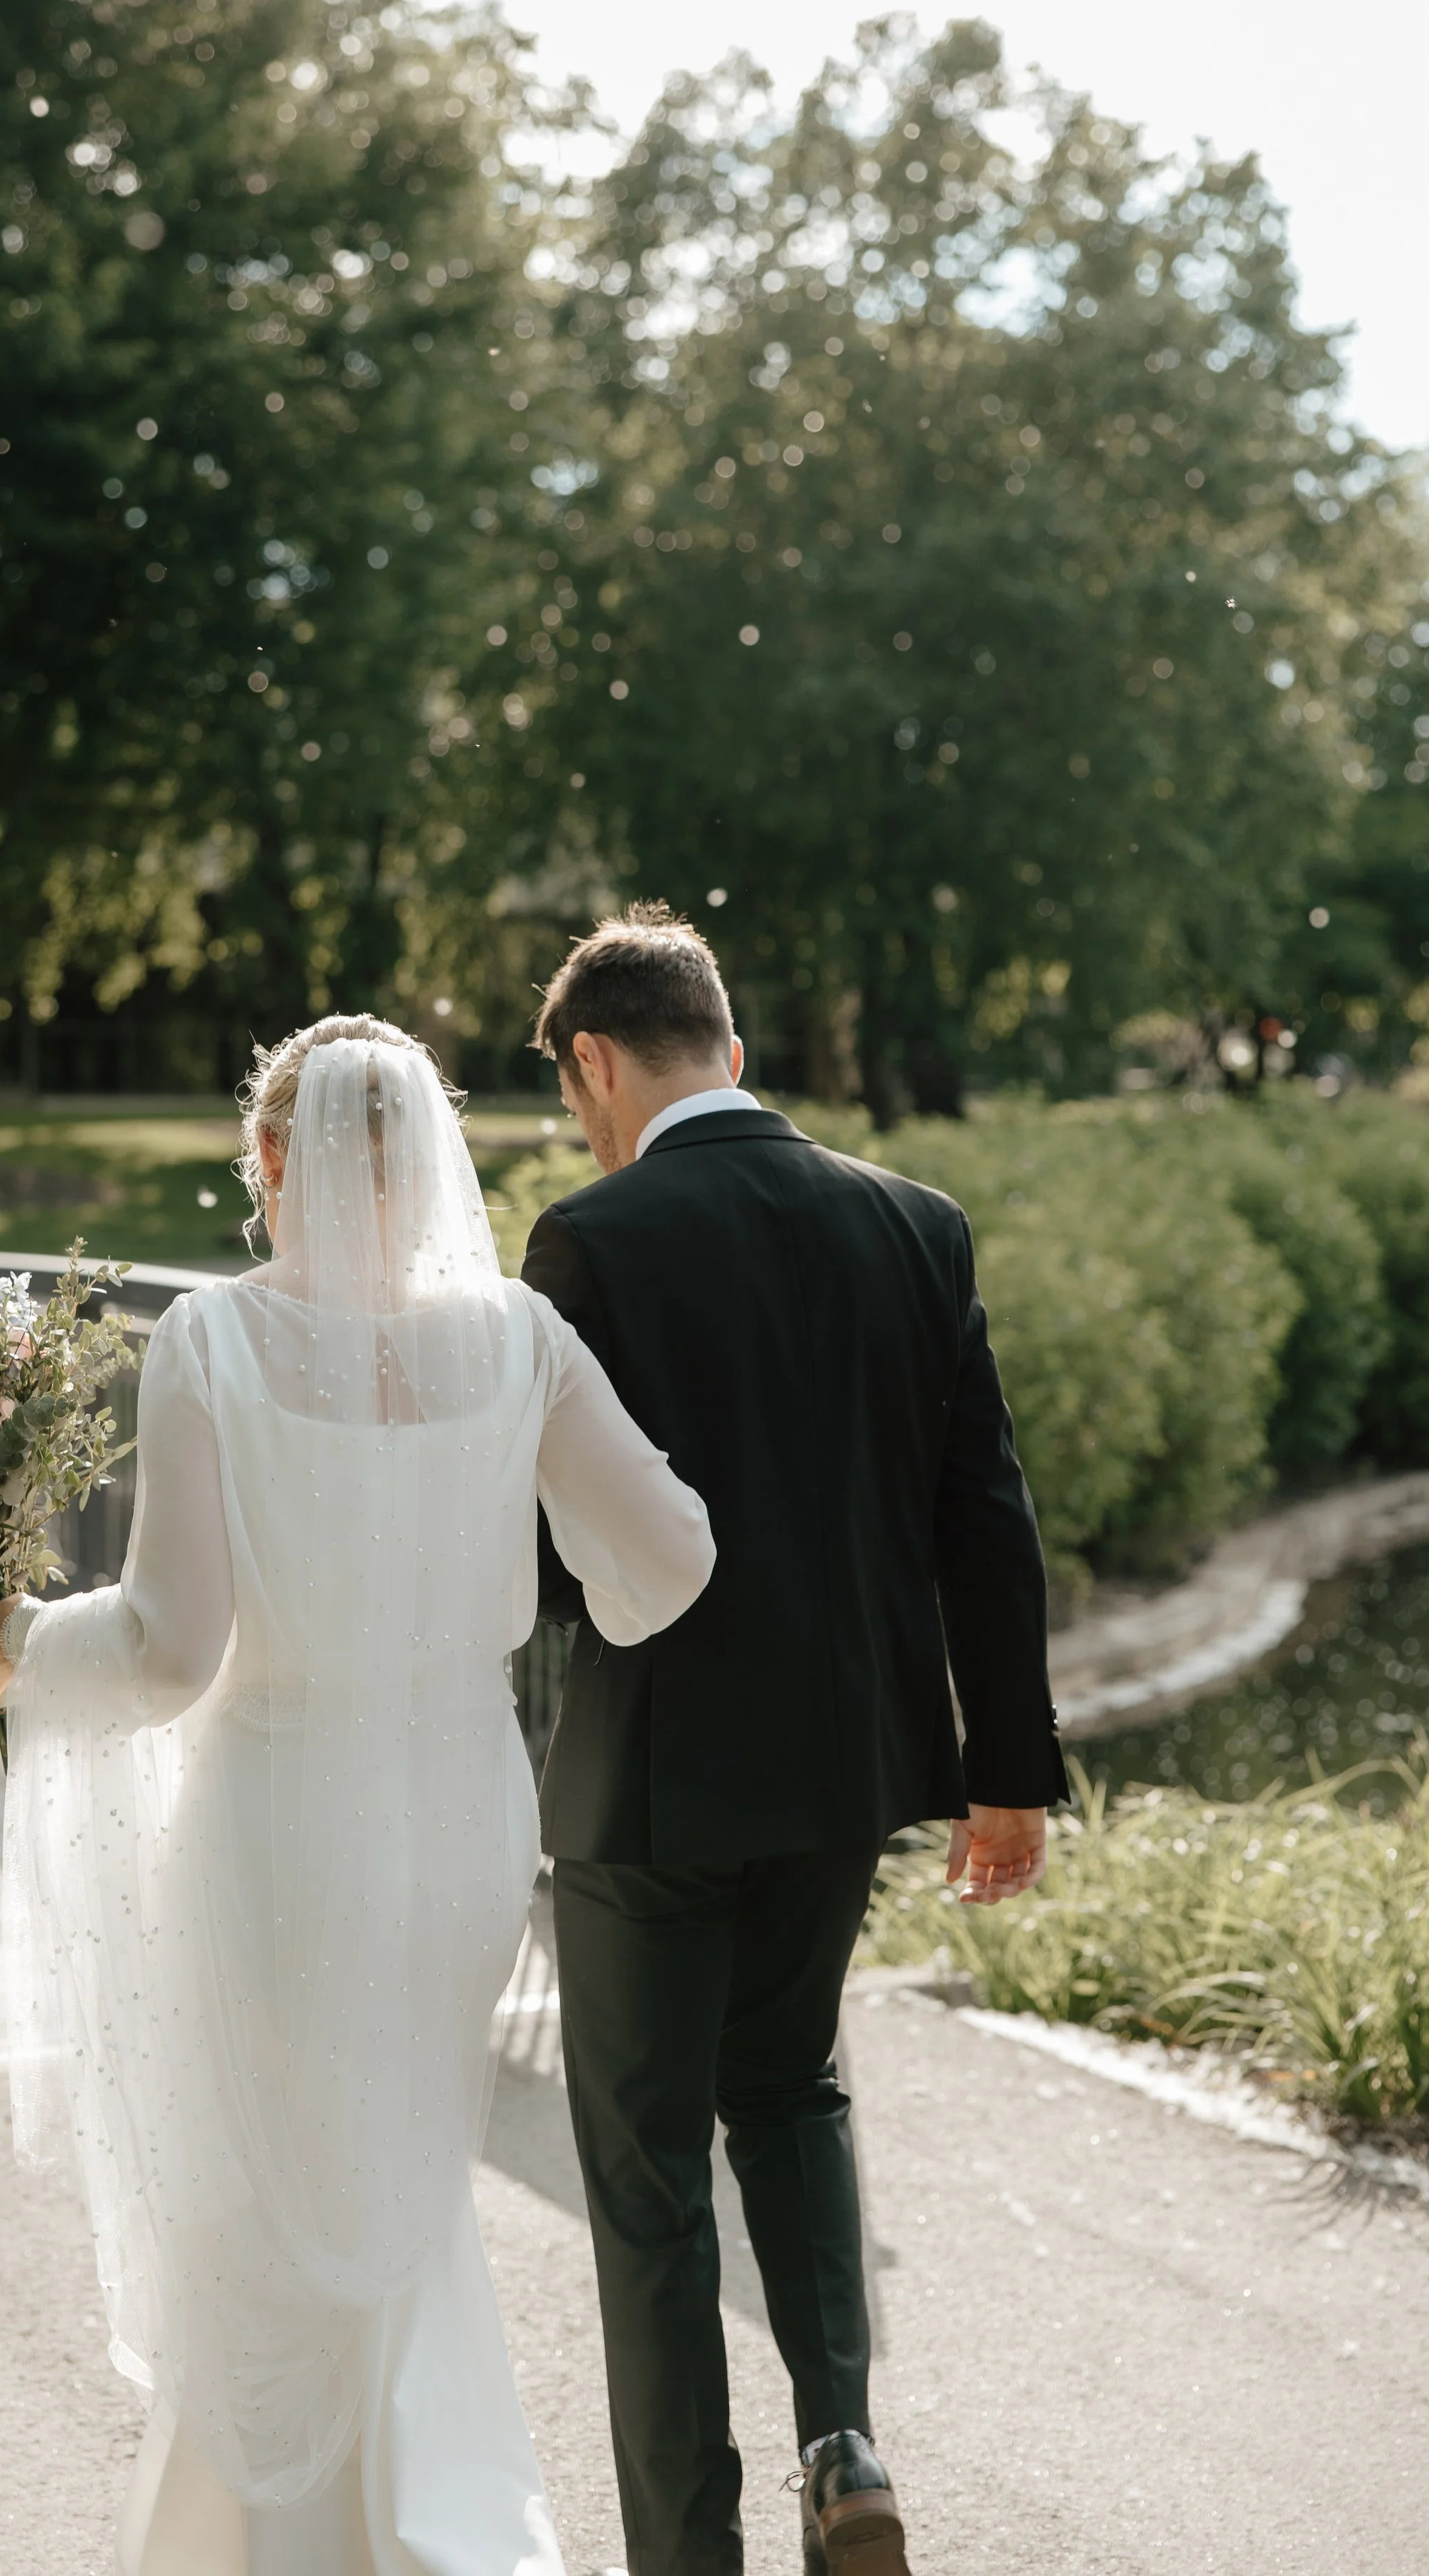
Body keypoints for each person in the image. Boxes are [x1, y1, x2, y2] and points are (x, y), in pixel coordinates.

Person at [0, 1017, 715, 2576]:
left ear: (272, 1159)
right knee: (410, 2174)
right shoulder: (519, 1338)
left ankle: (298, 2542)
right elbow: (674, 1555)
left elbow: (171, 1653)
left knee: (280, 2180)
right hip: (458, 1810)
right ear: (426, 1156)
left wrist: (19, 1641)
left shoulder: (215, 1343)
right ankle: (425, 2528)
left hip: (285, 1812)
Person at [521, 906, 1067, 2576]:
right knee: (792, 2087)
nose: (577, 1123)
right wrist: (1005, 1769)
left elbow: (548, 1555)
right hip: (847, 1768)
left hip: (646, 1788)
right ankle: (840, 2433)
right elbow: (985, 1511)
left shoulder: (586, 1243)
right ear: (734, 1050)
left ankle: (689, 2552)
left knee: (644, 2176)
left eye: (570, 1092)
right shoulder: (915, 1224)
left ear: (595, 1061)